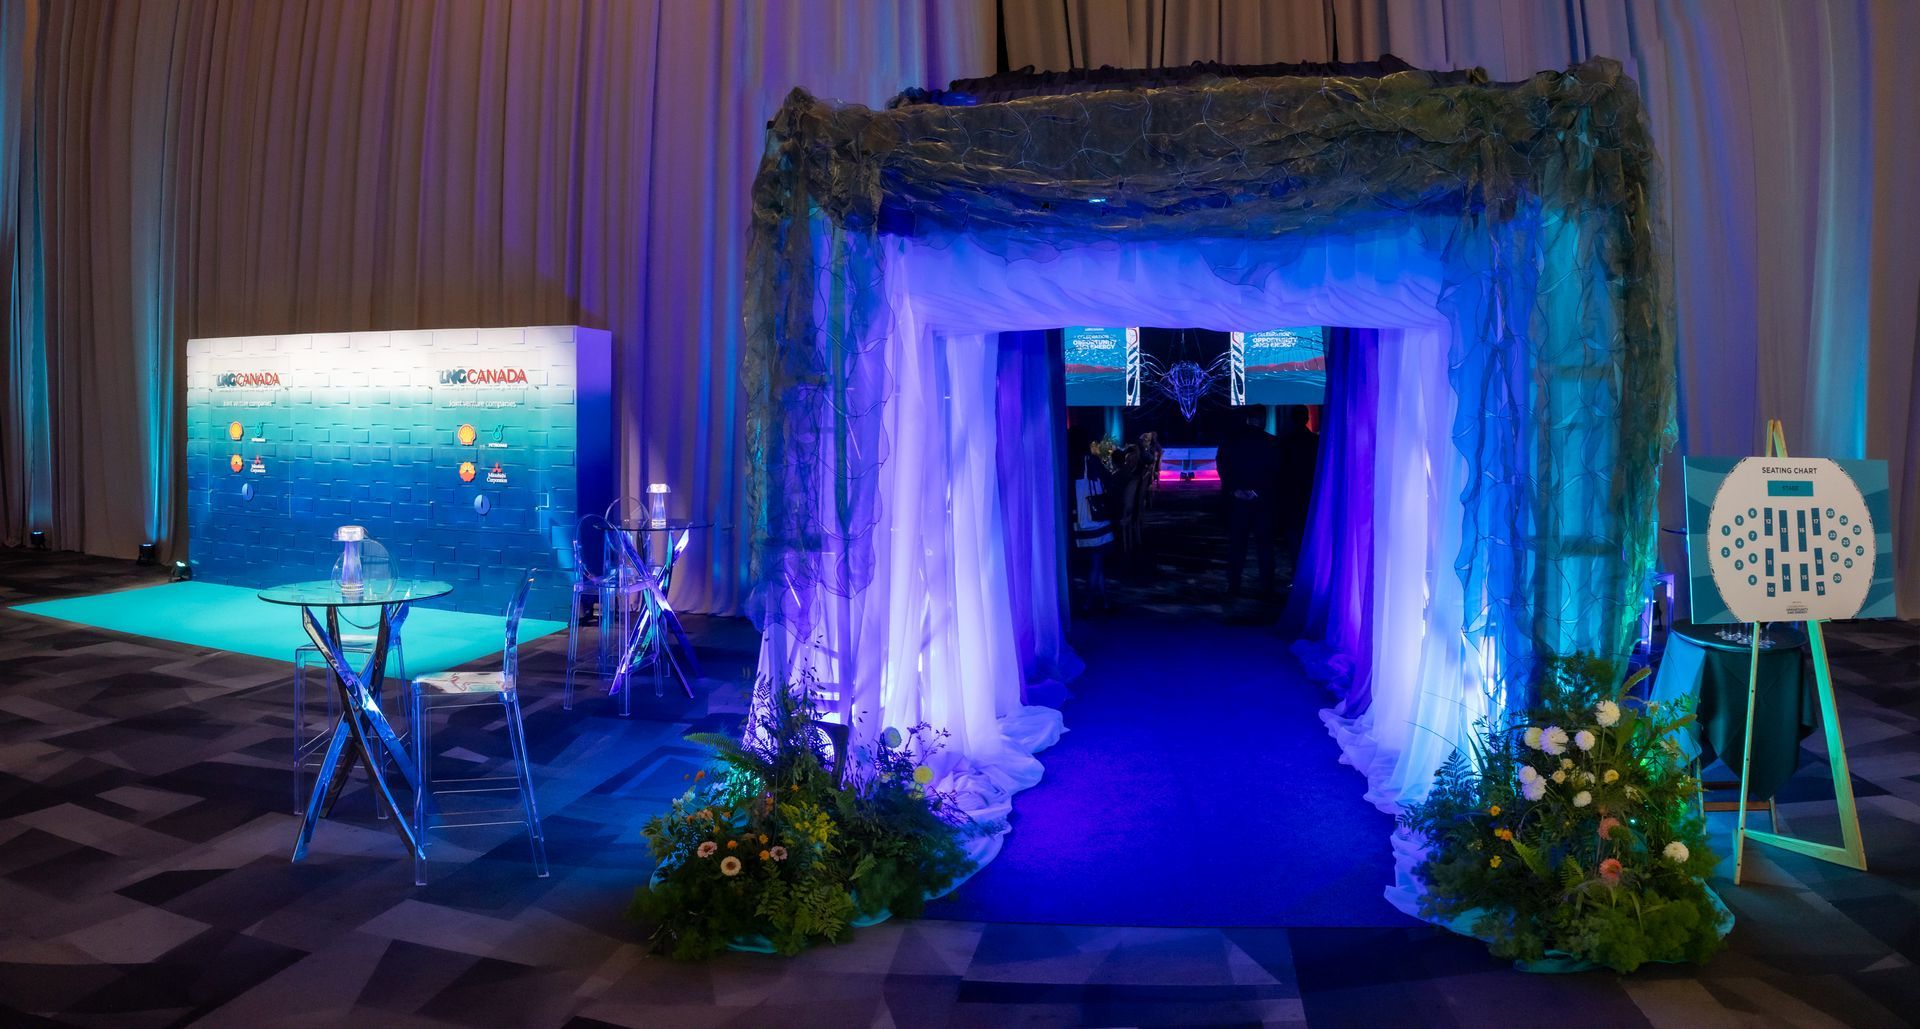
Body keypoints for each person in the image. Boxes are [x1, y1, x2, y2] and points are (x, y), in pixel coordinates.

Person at [1215, 407, 1280, 599]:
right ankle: (1267, 587)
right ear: (1262, 418)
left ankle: (1234, 585)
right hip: (1262, 502)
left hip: (1237, 502)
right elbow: (1275, 471)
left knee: (1237, 545)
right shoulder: (1271, 442)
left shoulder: (1231, 440)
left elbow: (1222, 465)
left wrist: (1234, 489)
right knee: (1265, 546)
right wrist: (1258, 490)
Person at [1067, 425, 1117, 611]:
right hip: (1095, 516)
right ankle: (1089, 603)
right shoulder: (1091, 461)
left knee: (1096, 561)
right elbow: (1108, 480)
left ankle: (1104, 601)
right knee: (1097, 561)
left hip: (1080, 518)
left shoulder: (1071, 462)